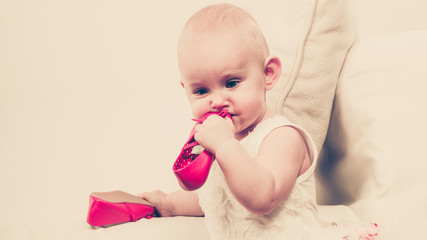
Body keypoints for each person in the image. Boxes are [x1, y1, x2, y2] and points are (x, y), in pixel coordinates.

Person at [138, 4, 387, 240]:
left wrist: (224, 146)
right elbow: (215, 197)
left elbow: (261, 197)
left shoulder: (281, 137)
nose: (216, 101)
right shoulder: (221, 144)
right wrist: (168, 204)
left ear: (268, 74)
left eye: (231, 83)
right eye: (201, 91)